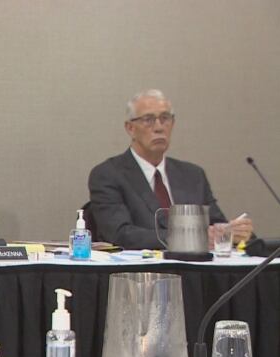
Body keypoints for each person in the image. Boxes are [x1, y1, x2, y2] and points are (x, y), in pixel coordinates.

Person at [88, 89, 253, 250]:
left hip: (196, 273)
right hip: (141, 272)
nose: (159, 127)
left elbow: (215, 225)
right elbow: (121, 234)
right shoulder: (108, 174)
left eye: (165, 118)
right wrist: (191, 238)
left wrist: (231, 232)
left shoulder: (193, 175)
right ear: (130, 128)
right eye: (148, 119)